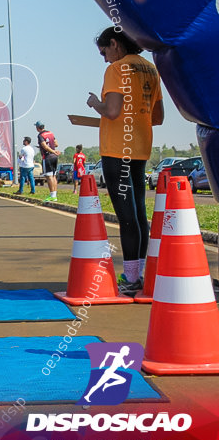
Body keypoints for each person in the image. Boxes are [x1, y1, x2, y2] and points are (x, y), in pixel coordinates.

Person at [86, 27, 163, 295]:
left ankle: (131, 280)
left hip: (116, 151)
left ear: (115, 44)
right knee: (139, 212)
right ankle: (138, 273)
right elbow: (158, 116)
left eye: (104, 51)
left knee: (126, 217)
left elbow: (112, 110)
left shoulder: (117, 69)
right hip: (140, 149)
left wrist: (96, 103)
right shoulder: (151, 69)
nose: (105, 58)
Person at [35, 121, 62, 201]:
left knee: (49, 176)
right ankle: (54, 195)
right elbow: (56, 144)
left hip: (47, 156)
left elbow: (45, 146)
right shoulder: (50, 133)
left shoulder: (40, 135)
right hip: (54, 157)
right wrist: (54, 150)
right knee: (53, 176)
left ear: (37, 128)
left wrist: (51, 151)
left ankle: (52, 195)